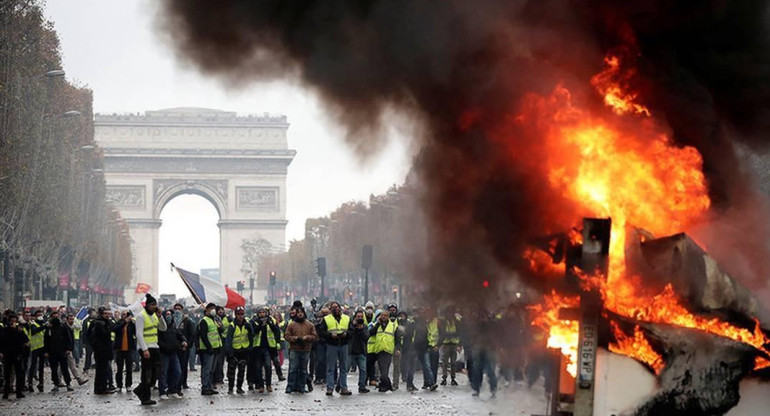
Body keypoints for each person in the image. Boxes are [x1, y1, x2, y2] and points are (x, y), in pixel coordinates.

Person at [133, 294, 167, 405]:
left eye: (155, 304)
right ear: (147, 305)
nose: (154, 306)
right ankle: (145, 397)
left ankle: (139, 390)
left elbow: (163, 328)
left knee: (157, 372)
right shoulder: (141, 316)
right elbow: (139, 334)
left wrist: (160, 317)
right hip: (146, 348)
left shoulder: (154, 316)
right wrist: (144, 349)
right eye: (152, 305)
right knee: (147, 374)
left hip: (155, 347)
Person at [318, 301, 352, 396]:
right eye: (333, 307)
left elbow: (351, 331)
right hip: (331, 345)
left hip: (343, 344)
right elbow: (321, 332)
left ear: (340, 308)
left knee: (343, 368)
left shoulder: (347, 318)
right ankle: (330, 388)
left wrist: (346, 334)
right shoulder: (326, 319)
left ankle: (343, 387)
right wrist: (330, 335)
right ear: (330, 309)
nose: (335, 309)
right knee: (330, 368)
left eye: (337, 307)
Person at [283, 306, 317, 394]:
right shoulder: (292, 324)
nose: (300, 314)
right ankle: (290, 386)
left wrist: (307, 337)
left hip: (305, 349)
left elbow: (314, 336)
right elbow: (287, 336)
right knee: (293, 369)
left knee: (303, 369)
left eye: (301, 312)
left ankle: (302, 386)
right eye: (298, 312)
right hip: (294, 349)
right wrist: (295, 338)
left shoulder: (310, 325)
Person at [158, 307, 187, 399]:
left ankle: (172, 390)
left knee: (177, 372)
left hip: (173, 353)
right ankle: (162, 391)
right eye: (167, 314)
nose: (169, 316)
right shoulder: (160, 327)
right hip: (164, 353)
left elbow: (180, 335)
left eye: (170, 314)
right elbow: (158, 340)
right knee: (163, 373)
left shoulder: (173, 326)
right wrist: (165, 347)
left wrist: (184, 341)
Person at [249, 306, 279, 393]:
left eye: (263, 312)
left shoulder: (271, 320)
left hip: (268, 347)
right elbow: (254, 331)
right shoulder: (254, 321)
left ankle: (268, 384)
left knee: (268, 366)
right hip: (257, 347)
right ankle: (260, 385)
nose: (262, 314)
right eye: (260, 313)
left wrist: (269, 324)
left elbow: (276, 331)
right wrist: (261, 325)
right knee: (258, 368)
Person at [43, 310, 74, 392]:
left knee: (64, 369)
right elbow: (46, 341)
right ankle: (56, 384)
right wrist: (46, 351)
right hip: (52, 352)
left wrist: (68, 349)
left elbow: (68, 339)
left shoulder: (63, 327)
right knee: (54, 369)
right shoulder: (49, 329)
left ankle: (68, 383)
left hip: (62, 351)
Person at [369, 310, 399, 392]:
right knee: (382, 369)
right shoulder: (377, 325)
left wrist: (398, 349)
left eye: (385, 315)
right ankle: (386, 385)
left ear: (388, 317)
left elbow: (397, 338)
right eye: (382, 315)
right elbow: (371, 333)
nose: (383, 317)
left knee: (385, 369)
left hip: (388, 350)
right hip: (379, 349)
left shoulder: (392, 326)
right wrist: (378, 324)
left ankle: (385, 385)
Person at [1, 313, 29, 400]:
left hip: (17, 354)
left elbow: (26, 340)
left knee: (19, 374)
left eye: (14, 321)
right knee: (7, 375)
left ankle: (19, 392)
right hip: (8, 354)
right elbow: (1, 341)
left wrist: (19, 332)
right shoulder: (5, 330)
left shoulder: (19, 330)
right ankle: (6, 392)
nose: (13, 322)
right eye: (11, 321)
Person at [226, 306, 252, 394]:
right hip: (234, 350)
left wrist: (249, 348)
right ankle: (230, 388)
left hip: (244, 350)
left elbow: (251, 336)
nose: (241, 316)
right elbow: (228, 340)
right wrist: (230, 353)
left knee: (241, 370)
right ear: (235, 315)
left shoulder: (247, 324)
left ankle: (239, 387)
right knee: (231, 371)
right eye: (239, 314)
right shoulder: (232, 326)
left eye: (242, 314)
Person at [89, 307, 115, 395]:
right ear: (102, 314)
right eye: (106, 314)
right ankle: (101, 388)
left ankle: (102, 387)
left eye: (109, 314)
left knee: (103, 370)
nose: (108, 315)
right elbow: (104, 334)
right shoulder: (100, 323)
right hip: (101, 350)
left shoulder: (104, 322)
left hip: (104, 349)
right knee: (101, 370)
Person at [198, 302, 222, 395]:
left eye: (214, 308)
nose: (213, 310)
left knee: (212, 370)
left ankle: (210, 386)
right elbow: (203, 336)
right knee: (207, 370)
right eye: (211, 308)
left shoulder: (214, 320)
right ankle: (205, 387)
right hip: (208, 350)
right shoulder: (204, 321)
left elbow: (218, 333)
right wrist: (209, 347)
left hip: (216, 348)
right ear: (207, 310)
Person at [412, 309, 438, 391]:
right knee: (424, 366)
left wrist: (430, 344)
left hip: (424, 347)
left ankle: (431, 383)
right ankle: (426, 383)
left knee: (426, 366)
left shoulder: (425, 324)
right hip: (418, 347)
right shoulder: (415, 323)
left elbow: (428, 335)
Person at [112, 310, 136, 392]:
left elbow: (136, 333)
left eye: (126, 314)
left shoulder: (131, 324)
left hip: (129, 349)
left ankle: (128, 385)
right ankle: (119, 385)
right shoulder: (119, 323)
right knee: (119, 369)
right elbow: (115, 329)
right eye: (123, 314)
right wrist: (124, 322)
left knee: (129, 368)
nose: (124, 316)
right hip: (119, 349)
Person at [174, 303, 195, 389]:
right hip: (175, 347)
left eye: (179, 309)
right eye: (176, 309)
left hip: (184, 347)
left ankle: (184, 382)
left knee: (183, 365)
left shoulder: (187, 321)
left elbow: (192, 334)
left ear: (182, 310)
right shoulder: (172, 320)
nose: (177, 310)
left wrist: (188, 345)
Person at [348, 309, 370, 393]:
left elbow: (366, 338)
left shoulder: (364, 326)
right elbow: (348, 335)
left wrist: (361, 330)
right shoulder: (350, 325)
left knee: (363, 370)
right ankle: (340, 385)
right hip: (351, 351)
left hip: (361, 351)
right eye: (358, 317)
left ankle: (362, 386)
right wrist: (353, 327)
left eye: (361, 317)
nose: (359, 319)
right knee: (345, 369)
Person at [439, 307, 462, 386]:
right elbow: (442, 332)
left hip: (454, 344)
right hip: (446, 344)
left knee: (453, 363)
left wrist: (459, 344)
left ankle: (453, 378)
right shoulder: (443, 322)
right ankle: (444, 378)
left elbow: (459, 332)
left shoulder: (456, 322)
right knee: (445, 363)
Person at [64, 314, 88, 386]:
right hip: (65, 349)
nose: (72, 321)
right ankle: (78, 379)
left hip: (69, 349)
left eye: (73, 319)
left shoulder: (71, 327)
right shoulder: (64, 327)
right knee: (68, 365)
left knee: (70, 365)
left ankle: (78, 379)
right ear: (67, 319)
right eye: (70, 319)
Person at [27, 309, 46, 392]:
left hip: (42, 347)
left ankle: (41, 383)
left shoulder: (43, 324)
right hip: (34, 347)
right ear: (35, 317)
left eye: (40, 315)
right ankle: (30, 383)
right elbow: (34, 331)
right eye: (38, 315)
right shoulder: (32, 323)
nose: (40, 317)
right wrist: (44, 326)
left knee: (41, 367)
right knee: (33, 366)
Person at [213, 306, 229, 387]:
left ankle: (229, 377)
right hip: (219, 341)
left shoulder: (228, 319)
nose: (220, 311)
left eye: (222, 309)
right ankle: (219, 378)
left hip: (227, 341)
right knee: (219, 361)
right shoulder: (215, 319)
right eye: (218, 310)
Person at [82, 308, 96, 373]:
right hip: (89, 341)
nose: (95, 314)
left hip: (96, 341)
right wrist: (84, 341)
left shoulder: (97, 320)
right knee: (88, 355)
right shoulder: (86, 321)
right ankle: (86, 368)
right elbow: (84, 332)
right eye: (93, 313)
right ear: (90, 313)